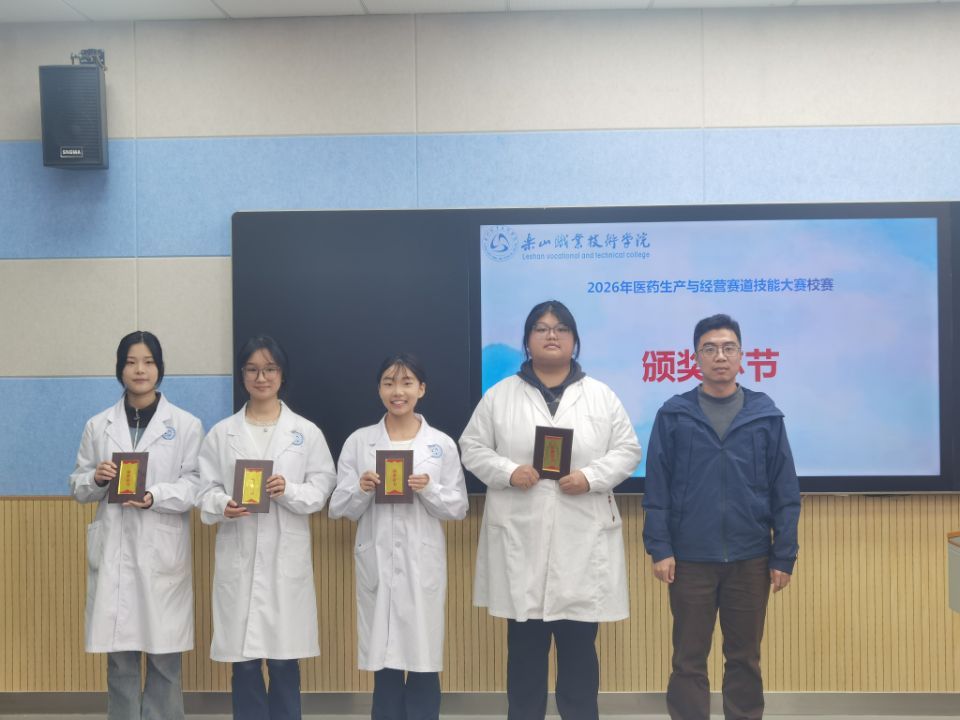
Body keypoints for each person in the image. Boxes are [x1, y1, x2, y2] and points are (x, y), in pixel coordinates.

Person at [459, 300, 642, 720]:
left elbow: (628, 451)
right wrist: (508, 471)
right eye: (541, 328)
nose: (551, 335)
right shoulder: (500, 396)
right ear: (527, 341)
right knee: (524, 655)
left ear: (575, 340)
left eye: (561, 328)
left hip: (581, 541)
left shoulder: (601, 395)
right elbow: (472, 447)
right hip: (522, 539)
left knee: (579, 655)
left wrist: (591, 477)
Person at [642, 313, 801, 720]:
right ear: (695, 357)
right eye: (710, 349)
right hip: (690, 559)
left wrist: (783, 555)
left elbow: (785, 492)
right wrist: (660, 548)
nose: (720, 356)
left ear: (742, 356)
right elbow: (657, 489)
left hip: (750, 558)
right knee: (688, 659)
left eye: (729, 348)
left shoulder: (765, 416)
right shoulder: (674, 415)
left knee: (745, 658)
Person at [198, 336, 336, 720]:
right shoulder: (222, 433)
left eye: (270, 369)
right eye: (253, 369)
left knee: (283, 663)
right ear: (242, 374)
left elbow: (322, 487)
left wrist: (288, 490)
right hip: (238, 554)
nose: (261, 377)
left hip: (284, 561)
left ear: (282, 374)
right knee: (243, 666)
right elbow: (203, 489)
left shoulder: (305, 432)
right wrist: (222, 504)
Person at [69, 331, 203, 720]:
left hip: (161, 553)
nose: (140, 370)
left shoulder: (186, 425)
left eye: (148, 361)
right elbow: (77, 485)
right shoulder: (99, 425)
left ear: (159, 368)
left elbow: (195, 485)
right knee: (120, 660)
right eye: (131, 362)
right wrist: (96, 478)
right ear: (120, 369)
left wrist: (155, 495)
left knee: (164, 658)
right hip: (115, 549)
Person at [330, 354, 468, 720]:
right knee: (385, 661)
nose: (398, 391)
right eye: (389, 382)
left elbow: (458, 507)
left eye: (407, 383)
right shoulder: (360, 442)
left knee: (422, 659)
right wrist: (360, 488)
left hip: (421, 564)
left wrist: (429, 488)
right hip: (377, 560)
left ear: (422, 389)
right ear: (379, 389)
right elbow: (339, 506)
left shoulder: (440, 444)